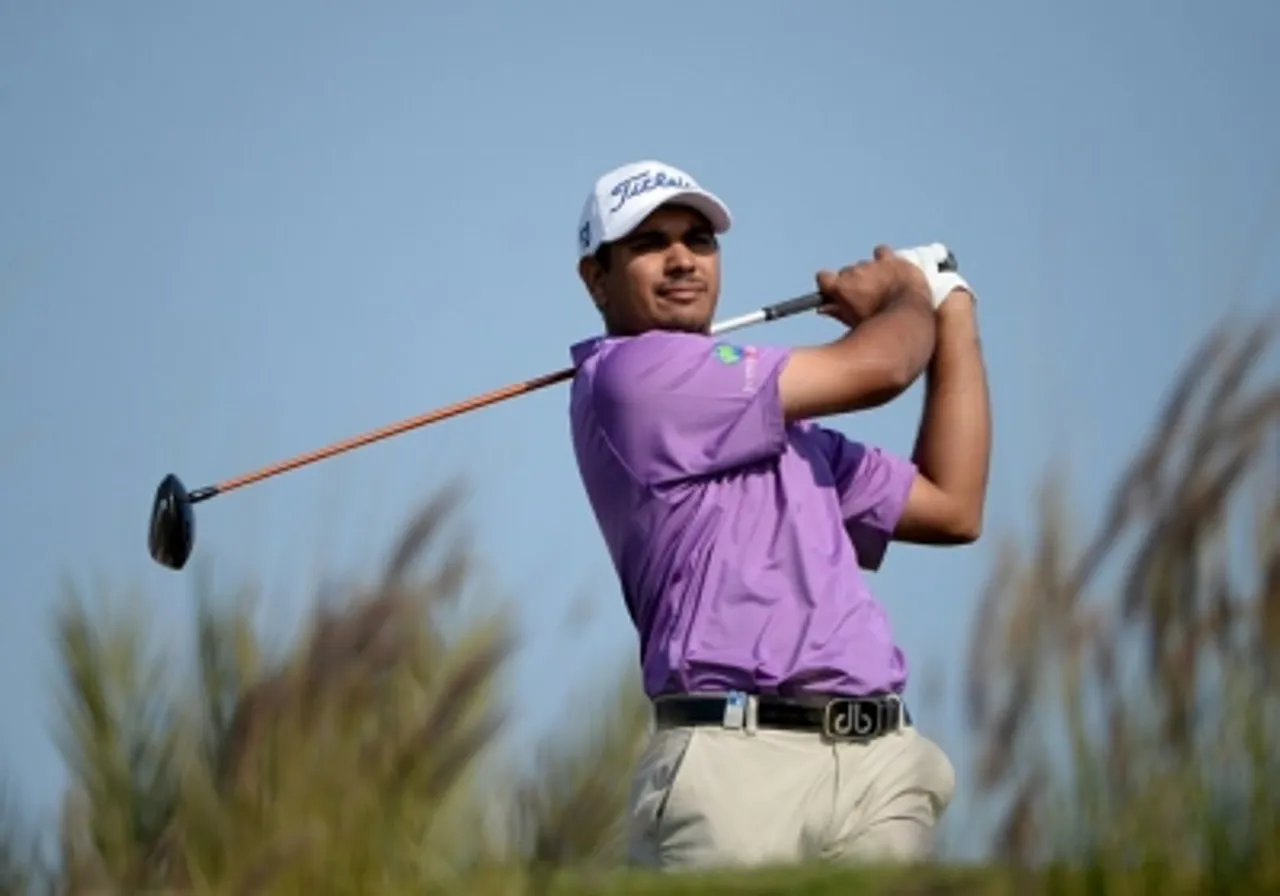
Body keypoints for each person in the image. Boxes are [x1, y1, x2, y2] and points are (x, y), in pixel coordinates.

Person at [566, 159, 992, 870]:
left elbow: (953, 506)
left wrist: (955, 309)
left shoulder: (786, 433)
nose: (681, 259)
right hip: (735, 771)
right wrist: (906, 291)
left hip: (878, 763)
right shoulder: (632, 380)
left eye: (699, 240)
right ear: (596, 278)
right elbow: (879, 370)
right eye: (649, 243)